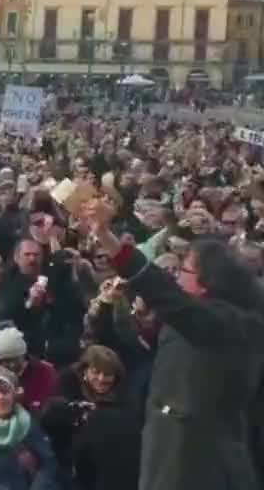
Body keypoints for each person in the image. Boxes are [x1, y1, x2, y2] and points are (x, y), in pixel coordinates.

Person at [90, 200, 264, 490]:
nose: (177, 277)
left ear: (208, 282)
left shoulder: (228, 323)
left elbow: (166, 295)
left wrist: (112, 243)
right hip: (170, 443)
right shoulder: (205, 317)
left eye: (184, 270)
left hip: (195, 457)